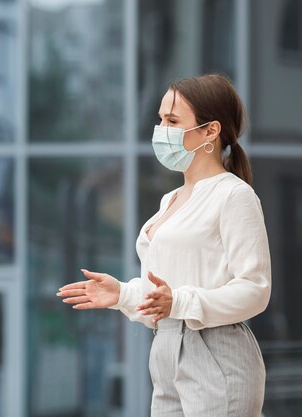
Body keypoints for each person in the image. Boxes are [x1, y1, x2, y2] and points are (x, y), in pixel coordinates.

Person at [57, 74, 271, 417]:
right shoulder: (170, 200)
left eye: (172, 121)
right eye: (160, 120)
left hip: (215, 350)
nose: (161, 130)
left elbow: (255, 290)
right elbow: (165, 292)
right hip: (166, 348)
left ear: (210, 131)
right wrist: (124, 295)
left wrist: (179, 301)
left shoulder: (234, 195)